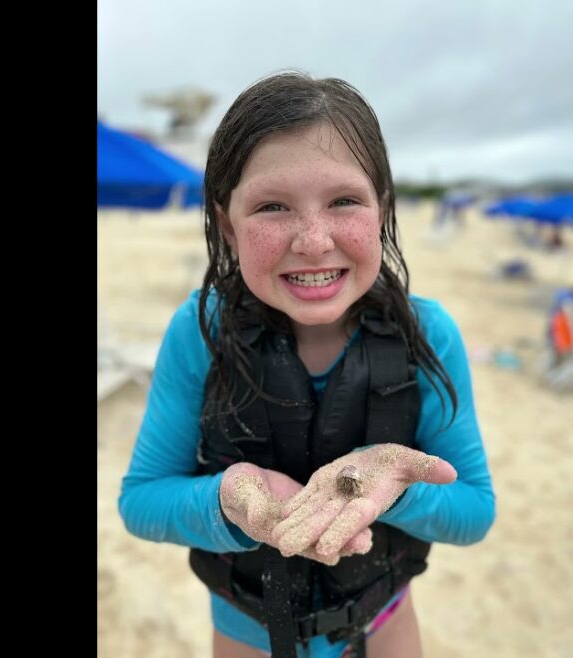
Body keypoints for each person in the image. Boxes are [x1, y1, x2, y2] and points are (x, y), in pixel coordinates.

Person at [119, 71, 496, 658]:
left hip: (383, 624)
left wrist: (395, 483)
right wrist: (228, 497)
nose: (314, 241)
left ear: (382, 209)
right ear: (227, 225)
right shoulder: (202, 332)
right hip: (246, 633)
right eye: (272, 207)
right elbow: (142, 502)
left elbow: (474, 511)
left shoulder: (428, 334)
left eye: (345, 201)